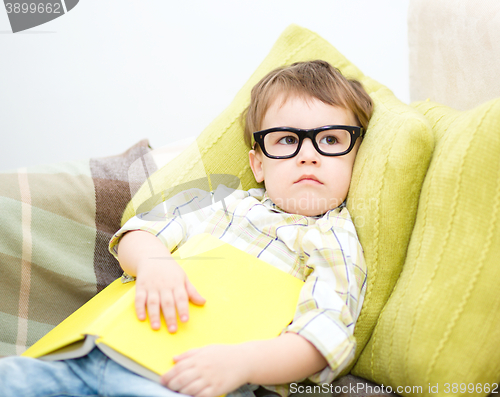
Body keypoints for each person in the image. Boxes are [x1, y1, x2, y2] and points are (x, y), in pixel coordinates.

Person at [0, 60, 373, 397]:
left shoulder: (333, 240)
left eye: (330, 139)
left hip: (178, 382)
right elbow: (138, 232)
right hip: (90, 350)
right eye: (287, 140)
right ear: (258, 165)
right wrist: (153, 264)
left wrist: (242, 363)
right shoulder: (227, 204)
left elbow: (322, 337)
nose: (308, 154)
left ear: (358, 156)